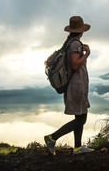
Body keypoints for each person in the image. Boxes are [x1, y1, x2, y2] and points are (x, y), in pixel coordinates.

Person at [44, 16, 94, 155]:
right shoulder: (75, 45)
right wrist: (87, 54)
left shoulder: (71, 43)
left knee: (80, 117)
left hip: (76, 84)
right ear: (81, 31)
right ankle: (52, 138)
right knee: (82, 118)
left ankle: (78, 147)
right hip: (76, 85)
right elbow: (75, 64)